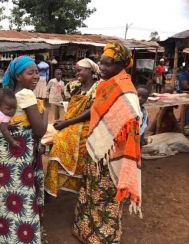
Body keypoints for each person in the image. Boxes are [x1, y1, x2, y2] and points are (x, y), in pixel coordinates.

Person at [73, 42, 142, 243]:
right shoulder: (106, 85)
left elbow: (132, 120)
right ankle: (84, 229)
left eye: (107, 64)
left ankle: (103, 237)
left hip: (111, 154)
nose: (102, 67)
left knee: (106, 196)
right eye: (100, 63)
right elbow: (98, 114)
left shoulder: (126, 90)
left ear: (121, 64)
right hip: (96, 149)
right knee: (90, 191)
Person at [0, 56, 48, 243]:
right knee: (22, 194)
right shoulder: (27, 95)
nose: (36, 76)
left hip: (3, 161)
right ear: (18, 76)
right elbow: (40, 130)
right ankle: (22, 237)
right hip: (17, 159)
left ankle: (2, 234)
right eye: (31, 72)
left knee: (4, 194)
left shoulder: (8, 96)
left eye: (37, 72)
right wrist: (46, 113)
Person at [44, 58, 100, 197]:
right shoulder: (74, 86)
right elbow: (71, 107)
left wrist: (66, 123)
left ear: (90, 70)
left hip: (87, 124)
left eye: (80, 70)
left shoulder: (99, 87)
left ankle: (54, 186)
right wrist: (64, 121)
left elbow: (92, 111)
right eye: (76, 71)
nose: (77, 73)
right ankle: (49, 184)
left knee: (60, 144)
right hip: (72, 121)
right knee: (46, 132)